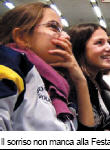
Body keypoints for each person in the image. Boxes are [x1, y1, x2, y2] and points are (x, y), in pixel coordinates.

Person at [0, 2, 93, 130]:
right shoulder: (9, 62)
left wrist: (80, 80)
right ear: (22, 37)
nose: (66, 36)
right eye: (54, 27)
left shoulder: (56, 83)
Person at [68, 23, 110, 130]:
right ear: (80, 49)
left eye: (108, 42)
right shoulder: (71, 86)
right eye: (99, 43)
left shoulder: (100, 84)